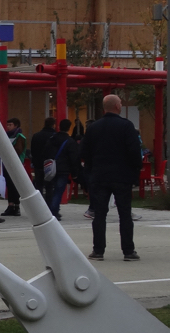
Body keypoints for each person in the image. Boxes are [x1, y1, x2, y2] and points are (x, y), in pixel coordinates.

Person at [80, 95, 142, 261]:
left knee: (99, 215)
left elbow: (84, 152)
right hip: (122, 176)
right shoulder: (126, 126)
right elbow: (135, 151)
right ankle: (128, 251)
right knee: (125, 214)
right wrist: (136, 169)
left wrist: (91, 170)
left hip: (99, 176)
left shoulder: (93, 127)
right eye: (121, 103)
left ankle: (98, 250)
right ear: (117, 106)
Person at [45, 119, 80, 220]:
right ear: (69, 128)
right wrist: (74, 173)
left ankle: (51, 208)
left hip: (51, 167)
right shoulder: (70, 141)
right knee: (58, 191)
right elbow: (73, 158)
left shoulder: (52, 138)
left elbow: (46, 152)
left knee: (51, 189)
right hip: (63, 169)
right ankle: (54, 210)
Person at [1, 117, 27, 216]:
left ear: (16, 125)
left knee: (14, 185)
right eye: (7, 125)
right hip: (7, 162)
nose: (8, 127)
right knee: (9, 184)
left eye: (10, 125)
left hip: (16, 163)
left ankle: (16, 206)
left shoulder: (19, 136)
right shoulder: (6, 136)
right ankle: (10, 205)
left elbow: (19, 150)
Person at [30, 117, 57, 199]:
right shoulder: (54, 136)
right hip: (50, 164)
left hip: (38, 164)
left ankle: (39, 203)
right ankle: (49, 205)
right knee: (50, 186)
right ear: (53, 125)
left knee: (39, 185)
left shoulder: (36, 135)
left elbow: (33, 150)